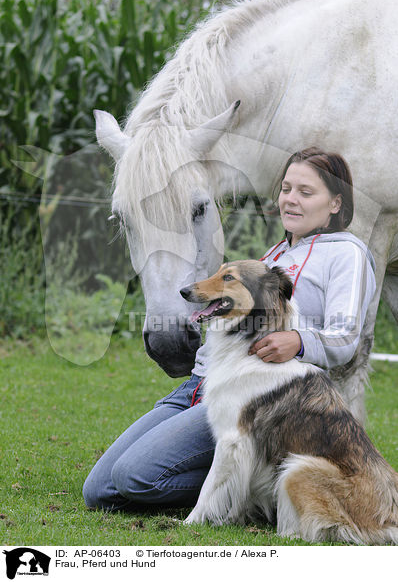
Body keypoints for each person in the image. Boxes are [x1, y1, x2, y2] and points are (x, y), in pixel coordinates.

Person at [83, 147, 376, 512]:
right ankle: (244, 477)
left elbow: (347, 337)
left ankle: (244, 488)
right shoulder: (274, 256)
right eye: (286, 189)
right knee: (98, 491)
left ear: (335, 203)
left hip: (257, 397)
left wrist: (299, 341)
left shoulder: (347, 252)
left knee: (133, 478)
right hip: (204, 382)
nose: (291, 200)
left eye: (306, 192)